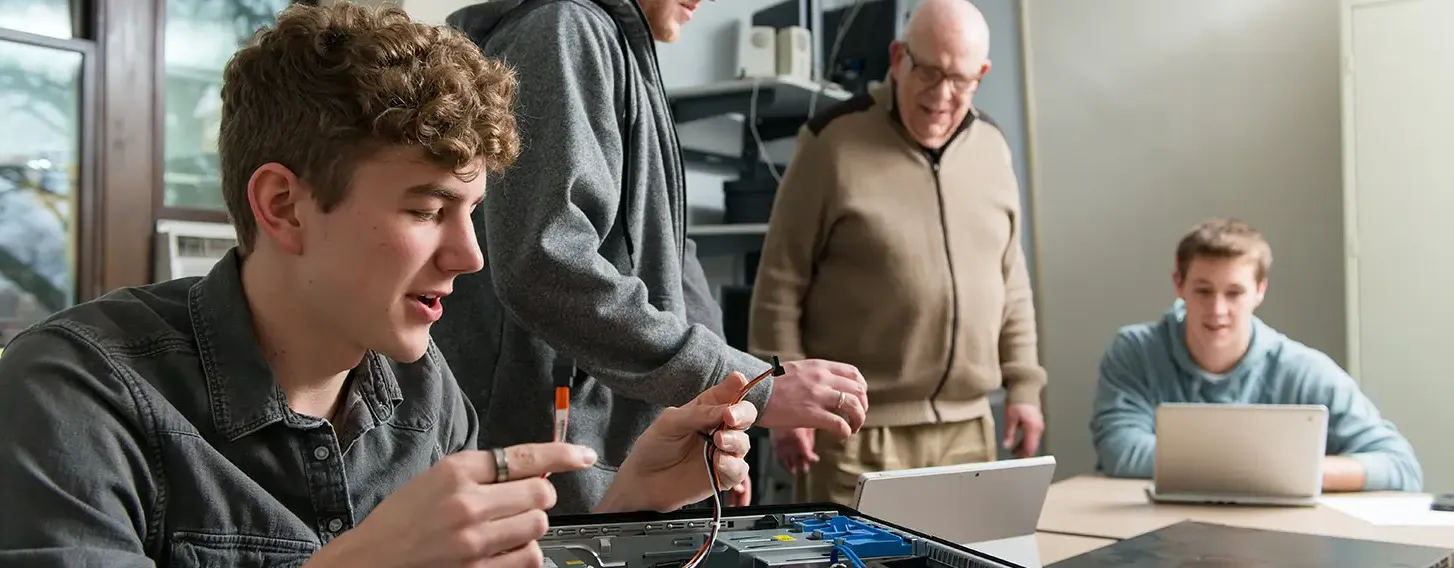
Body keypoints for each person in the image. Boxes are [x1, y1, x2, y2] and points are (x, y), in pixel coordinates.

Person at [0, 3, 759, 565]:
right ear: (283, 206)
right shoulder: (72, 393)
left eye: (472, 213)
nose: (470, 257)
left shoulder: (426, 391)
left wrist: (629, 505)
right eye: (428, 210)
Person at [438, 0, 870, 513]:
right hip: (547, 459)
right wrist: (756, 389)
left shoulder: (624, 47)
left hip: (612, 462)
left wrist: (724, 405)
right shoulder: (563, 32)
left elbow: (673, 254)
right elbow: (545, 264)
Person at [746, 0, 1047, 507]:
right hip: (854, 433)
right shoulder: (831, 142)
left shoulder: (993, 147)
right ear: (897, 57)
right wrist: (783, 401)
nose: (941, 96)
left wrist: (1024, 387)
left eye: (960, 80)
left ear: (982, 74)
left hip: (970, 431)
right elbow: (780, 282)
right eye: (928, 72)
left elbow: (1010, 283)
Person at [1090, 218, 1423, 492]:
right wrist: (1265, 470)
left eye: (1234, 293)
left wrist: (1302, 471)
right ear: (1179, 285)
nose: (1217, 310)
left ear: (1260, 290)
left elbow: (1399, 465)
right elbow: (1122, 451)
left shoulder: (1303, 370)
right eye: (1203, 291)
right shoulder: (1136, 351)